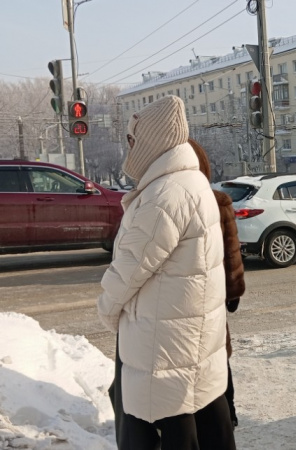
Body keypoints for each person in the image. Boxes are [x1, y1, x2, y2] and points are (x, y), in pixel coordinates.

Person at [97, 96, 235, 450]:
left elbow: (127, 270)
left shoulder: (165, 194)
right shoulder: (193, 184)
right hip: (187, 339)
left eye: (133, 139)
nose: (130, 147)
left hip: (163, 346)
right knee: (199, 425)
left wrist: (107, 309)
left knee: (171, 432)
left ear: (153, 140)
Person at [189, 138, 246, 428]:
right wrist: (233, 291)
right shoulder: (219, 200)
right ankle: (229, 412)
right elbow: (231, 252)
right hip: (213, 296)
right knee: (218, 354)